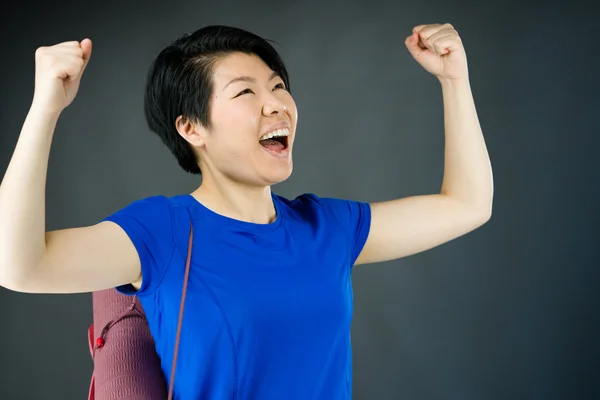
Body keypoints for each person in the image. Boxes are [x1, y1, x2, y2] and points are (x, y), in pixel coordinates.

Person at [0, 23, 493, 399]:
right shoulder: (162, 232)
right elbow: (18, 265)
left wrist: (456, 80)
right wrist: (46, 107)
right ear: (192, 128)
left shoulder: (327, 229)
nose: (275, 104)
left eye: (278, 86)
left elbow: (468, 206)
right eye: (246, 92)